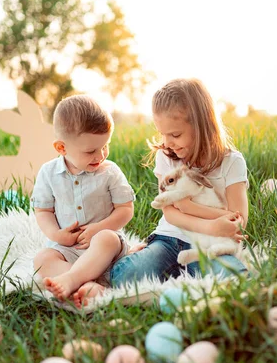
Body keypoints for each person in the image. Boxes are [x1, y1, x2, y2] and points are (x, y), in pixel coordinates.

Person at [110, 78, 249, 288]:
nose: (167, 143)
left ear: (202, 125)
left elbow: (238, 220)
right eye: (162, 134)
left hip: (208, 245)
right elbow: (170, 213)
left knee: (234, 279)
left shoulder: (232, 162)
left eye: (175, 134)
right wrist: (211, 224)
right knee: (124, 276)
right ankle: (173, 274)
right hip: (169, 239)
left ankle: (180, 276)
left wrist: (188, 207)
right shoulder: (167, 158)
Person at [31, 95, 135, 308]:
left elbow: (125, 209)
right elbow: (43, 211)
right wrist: (56, 235)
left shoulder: (110, 172)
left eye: (105, 146)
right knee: (41, 260)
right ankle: (89, 285)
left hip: (104, 250)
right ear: (62, 148)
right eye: (90, 151)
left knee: (107, 238)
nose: (100, 156)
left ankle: (72, 280)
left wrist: (99, 228)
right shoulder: (48, 173)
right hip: (68, 249)